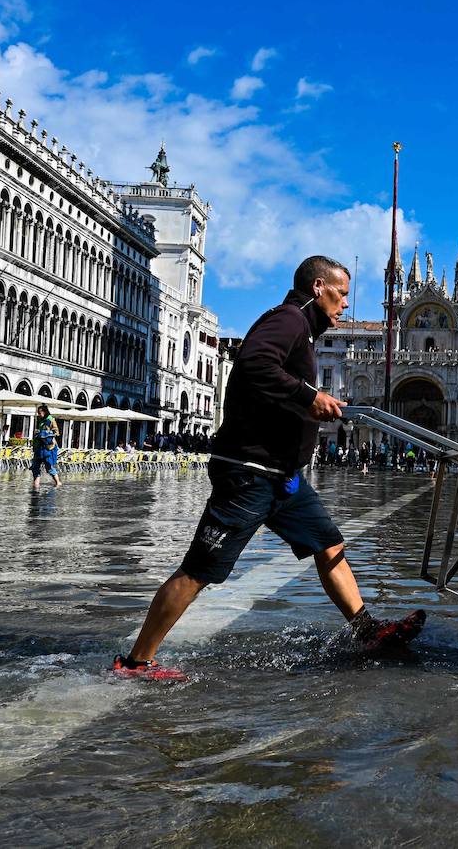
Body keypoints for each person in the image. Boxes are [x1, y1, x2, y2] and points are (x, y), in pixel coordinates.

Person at [114, 256, 424, 678]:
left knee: (329, 545)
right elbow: (253, 363)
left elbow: (271, 381)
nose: (346, 304)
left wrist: (307, 405)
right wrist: (307, 396)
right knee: (199, 570)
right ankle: (135, 662)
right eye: (342, 293)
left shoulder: (305, 331)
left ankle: (366, 630)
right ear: (318, 287)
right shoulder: (290, 319)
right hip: (249, 472)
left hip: (283, 477)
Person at [31, 404, 62, 491]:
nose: (38, 414)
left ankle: (58, 482)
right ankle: (36, 485)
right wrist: (38, 432)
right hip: (39, 447)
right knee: (35, 467)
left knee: (49, 466)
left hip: (48, 448)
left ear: (44, 412)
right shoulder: (41, 421)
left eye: (39, 412)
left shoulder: (51, 420)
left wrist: (44, 434)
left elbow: (56, 432)